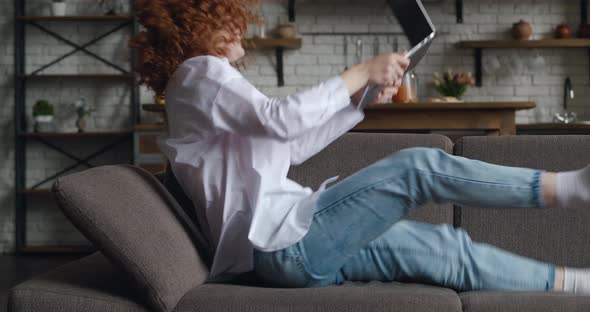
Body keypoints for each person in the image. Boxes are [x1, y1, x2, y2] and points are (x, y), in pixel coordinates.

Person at [130, 0, 590, 294]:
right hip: (282, 245)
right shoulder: (200, 73)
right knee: (418, 168)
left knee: (445, 249)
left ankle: (577, 286)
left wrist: (358, 101)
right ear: (194, 28)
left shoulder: (199, 89)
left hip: (285, 254)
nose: (236, 33)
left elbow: (290, 148)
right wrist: (361, 71)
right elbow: (282, 118)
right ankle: (572, 189)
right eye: (223, 22)